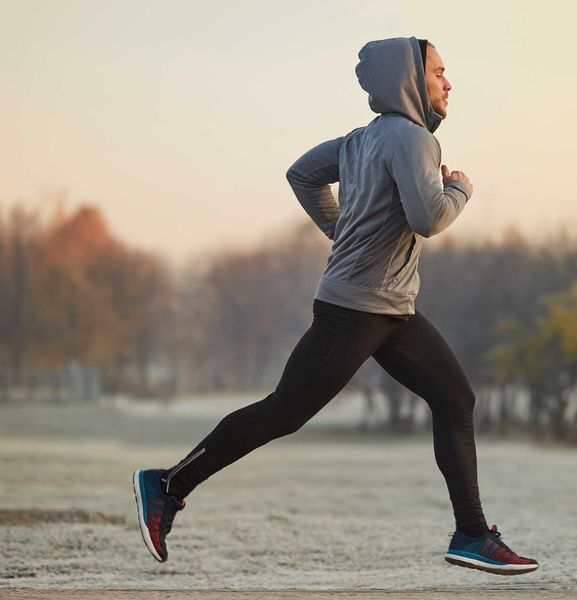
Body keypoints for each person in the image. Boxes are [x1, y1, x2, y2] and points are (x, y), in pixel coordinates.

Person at [132, 36, 538, 576]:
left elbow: (301, 173)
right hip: (356, 310)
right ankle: (167, 485)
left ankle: (471, 534)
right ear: (412, 80)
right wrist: (460, 189)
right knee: (285, 411)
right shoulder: (414, 140)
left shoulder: (362, 140)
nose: (448, 83)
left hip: (392, 311)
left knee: (455, 400)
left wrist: (340, 230)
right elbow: (429, 218)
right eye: (440, 72)